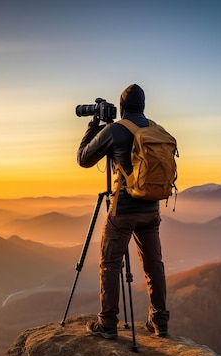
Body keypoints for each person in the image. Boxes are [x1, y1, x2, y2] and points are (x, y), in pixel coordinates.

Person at [77, 83, 170, 338]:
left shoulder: (115, 130)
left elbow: (84, 159)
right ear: (143, 106)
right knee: (154, 265)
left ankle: (107, 324)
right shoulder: (155, 129)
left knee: (109, 263)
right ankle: (159, 322)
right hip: (151, 209)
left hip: (124, 210)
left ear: (121, 107)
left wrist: (92, 126)